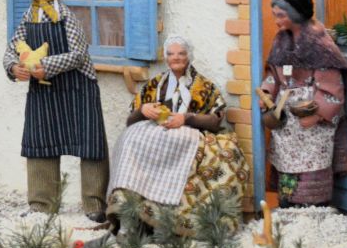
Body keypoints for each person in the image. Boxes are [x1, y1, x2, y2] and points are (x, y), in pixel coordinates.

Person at [106, 34, 248, 234]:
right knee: (129, 138)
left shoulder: (204, 86)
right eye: (171, 54)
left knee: (223, 151)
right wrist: (143, 110)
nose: (176, 58)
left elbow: (216, 120)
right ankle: (129, 216)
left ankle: (170, 220)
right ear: (166, 57)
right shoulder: (154, 85)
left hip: (187, 135)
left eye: (181, 53)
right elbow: (131, 121)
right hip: (154, 134)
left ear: (189, 56)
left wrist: (186, 118)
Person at [2, 0, 109, 221]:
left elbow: (79, 55)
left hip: (77, 88)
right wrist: (13, 67)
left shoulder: (66, 16)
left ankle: (94, 204)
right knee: (40, 141)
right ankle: (41, 205)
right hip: (44, 92)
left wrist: (46, 66)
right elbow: (12, 48)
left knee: (89, 143)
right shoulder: (29, 16)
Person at [260, 0, 347, 207]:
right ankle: (287, 203)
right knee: (284, 160)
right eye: (275, 15)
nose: (277, 20)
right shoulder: (280, 40)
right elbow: (273, 73)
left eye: (281, 15)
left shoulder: (319, 44)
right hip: (286, 118)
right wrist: (267, 92)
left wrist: (317, 114)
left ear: (296, 13)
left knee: (312, 163)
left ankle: (313, 206)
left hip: (311, 116)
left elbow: (333, 87)